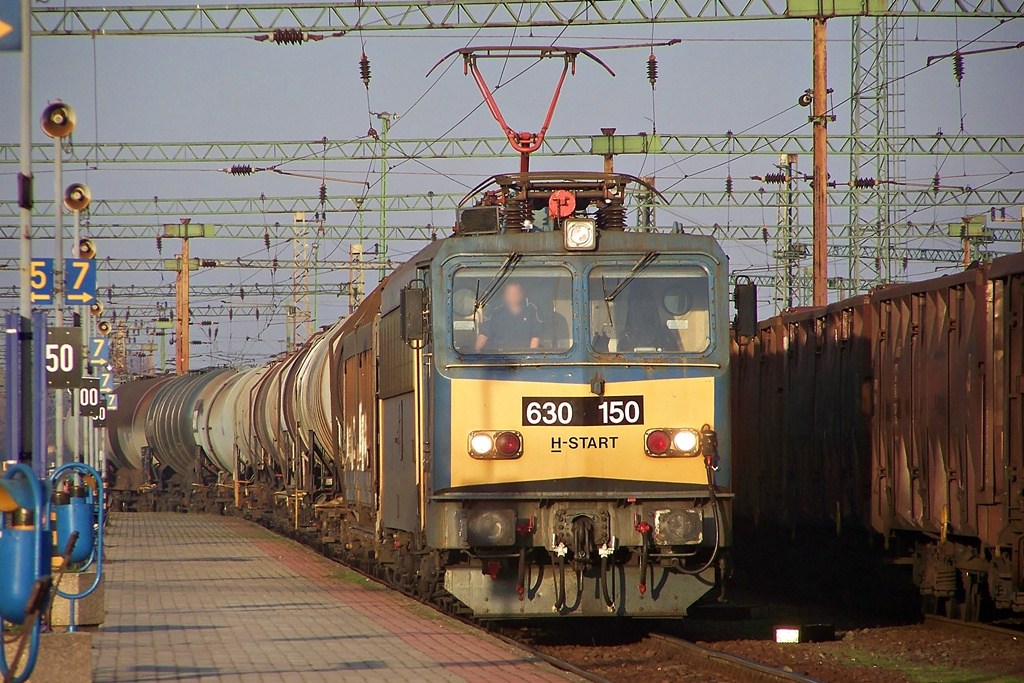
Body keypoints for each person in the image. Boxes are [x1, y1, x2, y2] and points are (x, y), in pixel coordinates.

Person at [474, 281, 542, 352]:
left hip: (524, 353)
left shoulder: (532, 308)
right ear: (504, 295)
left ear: (522, 294)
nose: (513, 297)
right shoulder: (495, 309)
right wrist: (476, 354)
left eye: (516, 293)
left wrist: (530, 356)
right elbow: (484, 334)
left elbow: (536, 335)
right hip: (497, 355)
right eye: (509, 294)